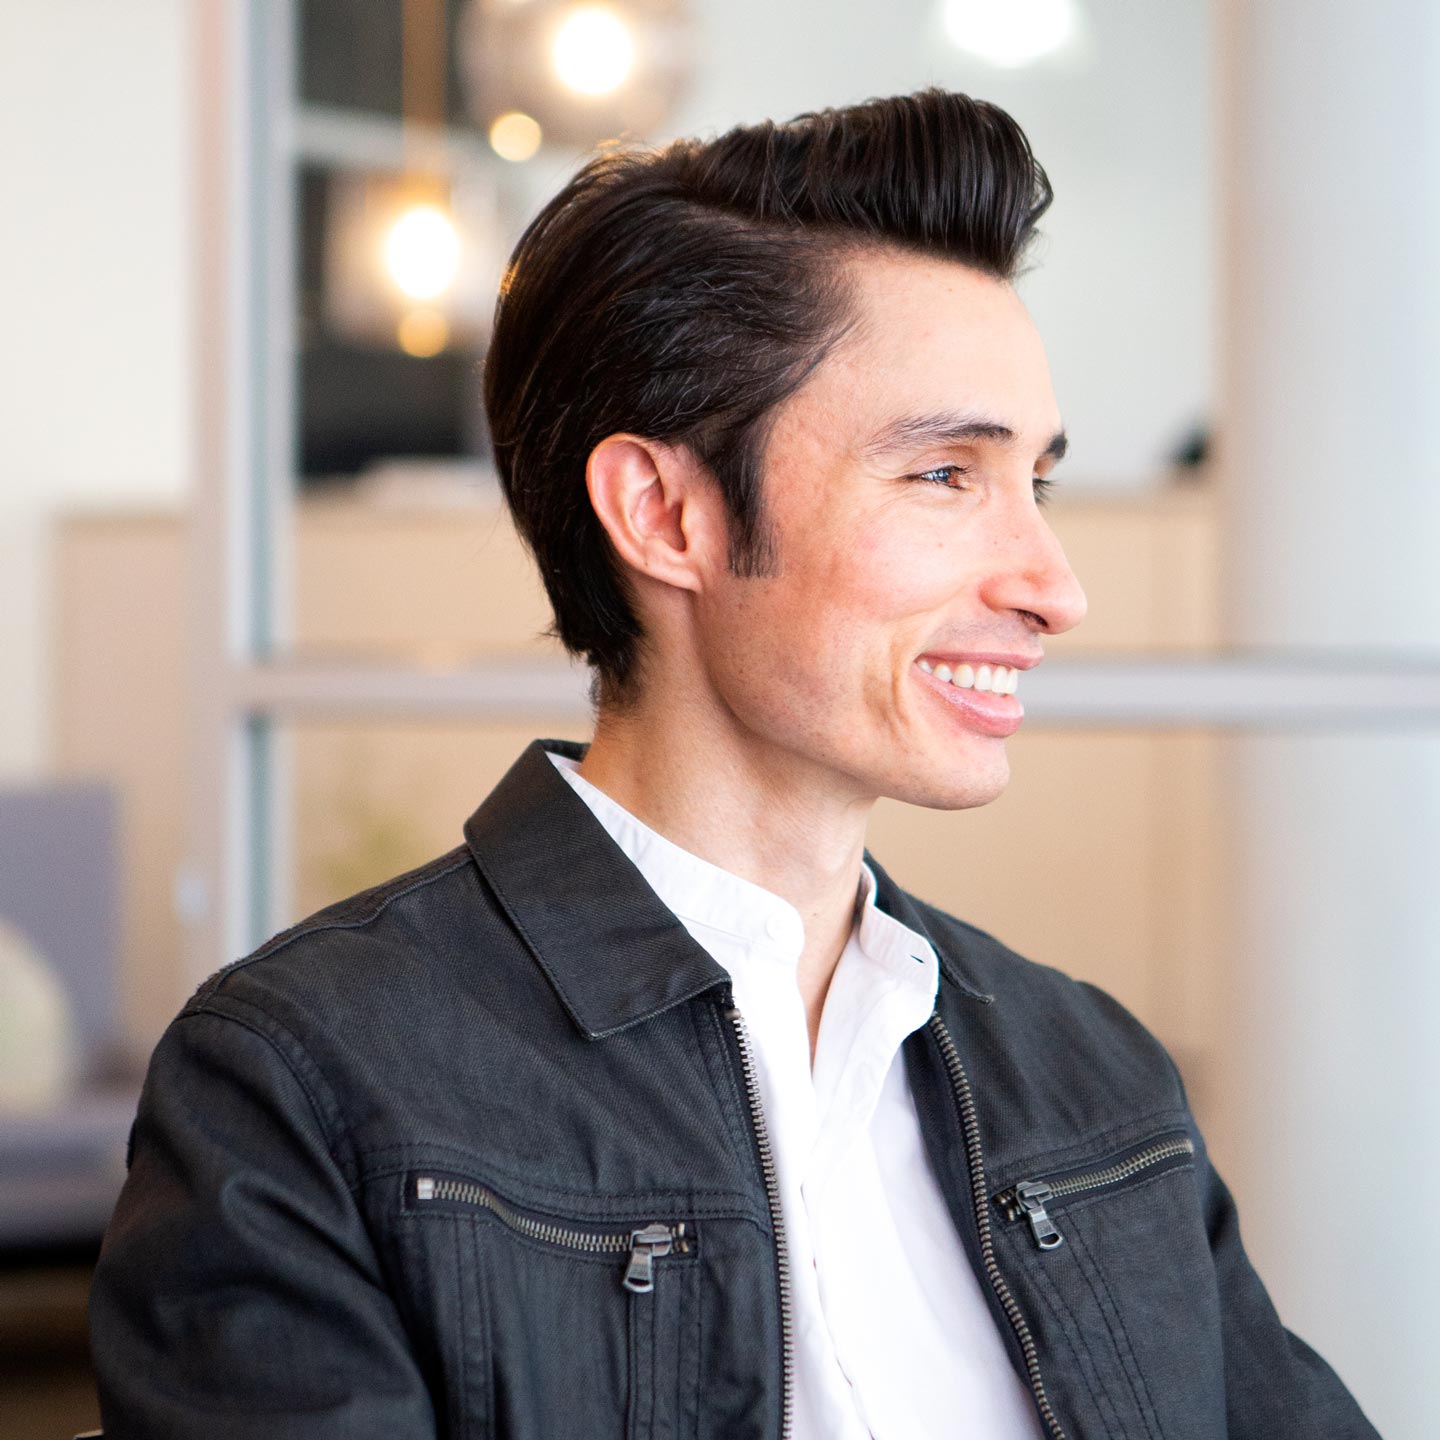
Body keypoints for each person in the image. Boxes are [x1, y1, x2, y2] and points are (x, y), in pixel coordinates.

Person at [89, 89, 1379, 1439]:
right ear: (666, 513)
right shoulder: (308, 1086)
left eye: (1035, 483)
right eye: (945, 475)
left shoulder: (1093, 1078)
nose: (1054, 588)